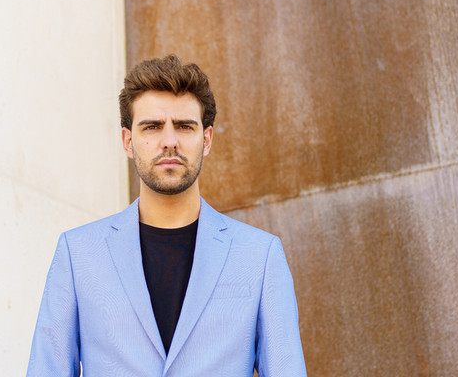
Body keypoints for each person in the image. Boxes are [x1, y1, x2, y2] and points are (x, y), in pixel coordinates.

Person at [26, 55, 307, 376]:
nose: (169, 142)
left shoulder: (260, 257)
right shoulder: (78, 254)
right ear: (128, 141)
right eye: (153, 127)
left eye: (184, 126)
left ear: (207, 139)